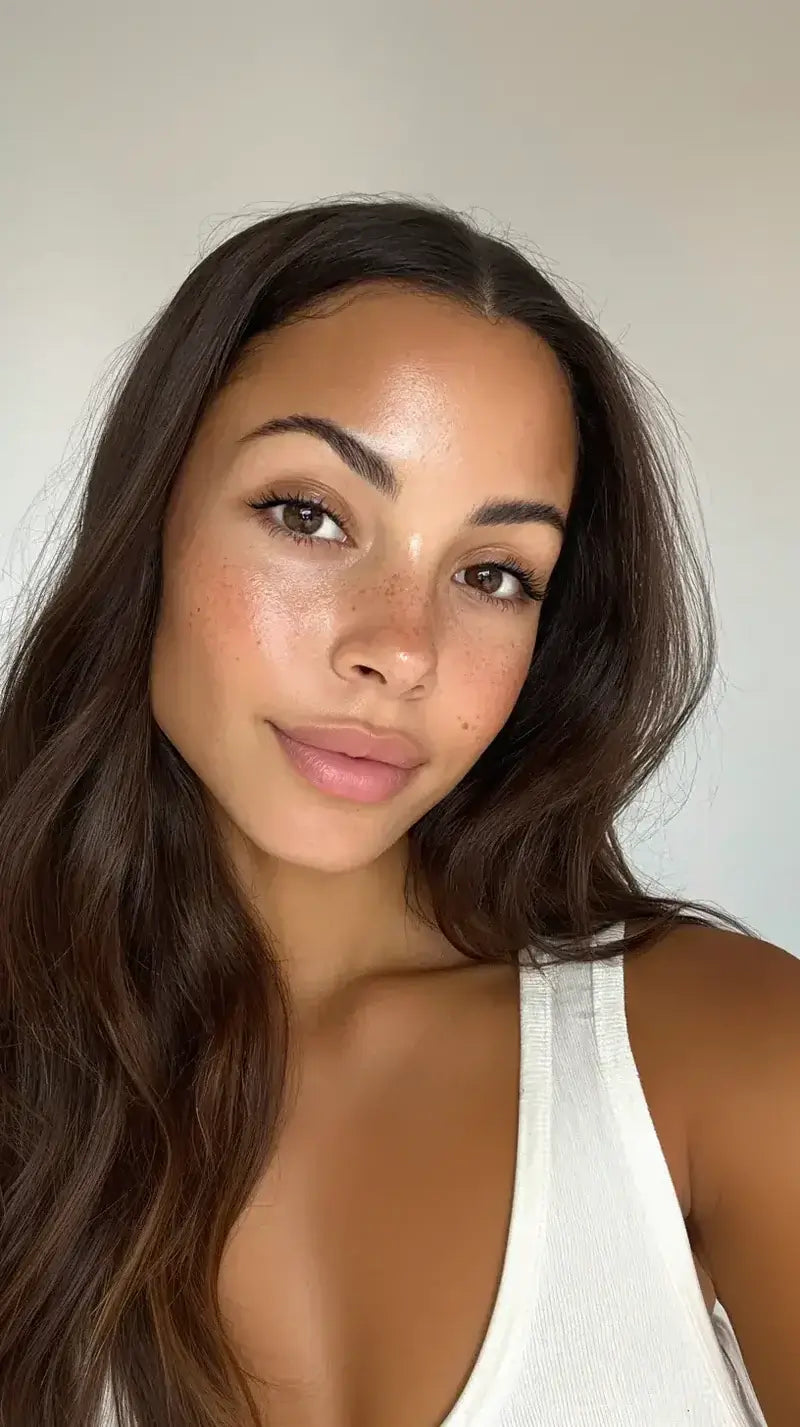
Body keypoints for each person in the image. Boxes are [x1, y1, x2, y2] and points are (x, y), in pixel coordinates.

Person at [0, 195, 796, 1427]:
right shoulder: (33, 1072)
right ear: (149, 518)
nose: (397, 650)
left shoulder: (730, 1059)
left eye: (490, 573)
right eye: (309, 514)